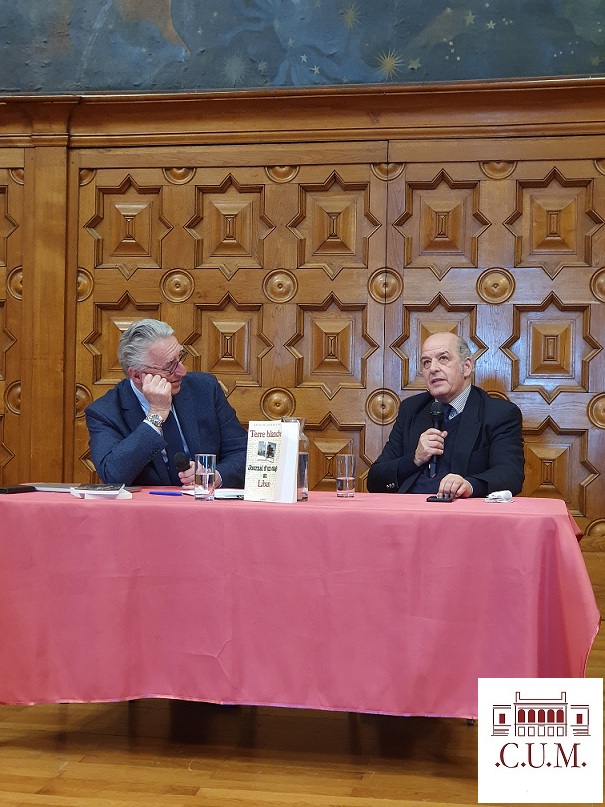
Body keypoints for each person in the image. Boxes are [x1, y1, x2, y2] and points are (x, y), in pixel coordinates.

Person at [85, 319, 248, 488]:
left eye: (180, 358)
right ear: (136, 375)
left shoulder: (205, 389)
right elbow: (113, 475)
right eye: (170, 367)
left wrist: (215, 476)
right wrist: (156, 415)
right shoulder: (104, 412)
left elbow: (243, 453)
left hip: (204, 501)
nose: (182, 371)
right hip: (150, 504)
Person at [367, 332, 524, 499]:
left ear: (466, 367)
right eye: (426, 362)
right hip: (409, 508)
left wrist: (469, 485)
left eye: (443, 358)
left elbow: (510, 475)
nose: (433, 368)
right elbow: (375, 480)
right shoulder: (411, 409)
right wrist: (414, 459)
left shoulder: (498, 413)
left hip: (461, 511)